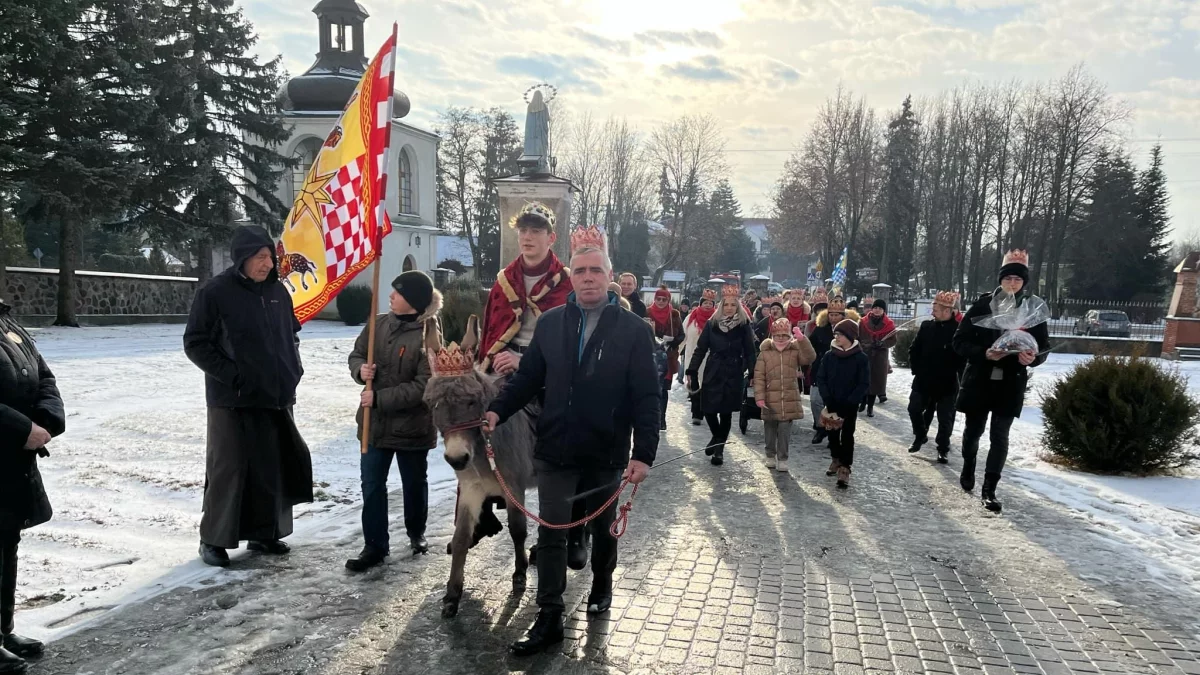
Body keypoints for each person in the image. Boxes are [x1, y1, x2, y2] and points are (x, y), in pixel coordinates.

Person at [485, 241, 659, 657]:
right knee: (551, 534)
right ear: (571, 278)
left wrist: (644, 453)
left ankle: (602, 582)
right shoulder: (551, 324)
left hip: (607, 450)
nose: (587, 278)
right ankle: (548, 616)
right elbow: (528, 378)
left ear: (608, 276)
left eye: (595, 271)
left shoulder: (634, 330)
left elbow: (647, 396)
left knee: (602, 529)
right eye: (579, 271)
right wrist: (497, 410)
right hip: (555, 448)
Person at [184, 225, 314, 567]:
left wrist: (293, 369)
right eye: (260, 257)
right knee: (229, 469)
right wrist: (233, 376)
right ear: (242, 258)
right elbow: (195, 343)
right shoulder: (215, 292)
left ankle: (263, 533)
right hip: (233, 399)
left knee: (270, 468)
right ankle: (212, 539)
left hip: (275, 395)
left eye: (270, 257)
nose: (267, 264)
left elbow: (292, 336)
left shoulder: (277, 293)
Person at [345, 271, 441, 571]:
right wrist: (361, 370)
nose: (391, 296)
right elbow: (356, 354)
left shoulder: (430, 335)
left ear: (412, 300)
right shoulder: (379, 323)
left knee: (413, 483)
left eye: (397, 293)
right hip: (373, 425)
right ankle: (374, 545)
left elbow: (425, 385)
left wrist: (380, 398)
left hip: (412, 427)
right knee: (372, 485)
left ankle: (416, 532)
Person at [953, 249, 1049, 513]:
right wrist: (984, 353)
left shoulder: (1033, 308)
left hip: (1011, 382)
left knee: (1000, 436)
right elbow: (959, 342)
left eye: (1018, 280)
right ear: (1000, 279)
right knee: (973, 432)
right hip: (980, 379)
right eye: (1008, 279)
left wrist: (1032, 358)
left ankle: (990, 489)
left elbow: (1043, 346)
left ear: (1024, 282)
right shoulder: (983, 305)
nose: (1012, 283)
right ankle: (969, 464)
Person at [0, 300, 66, 672]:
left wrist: (45, 420)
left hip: (13, 456)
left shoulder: (6, 320)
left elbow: (43, 375)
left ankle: (3, 630)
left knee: (7, 538)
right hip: (10, 439)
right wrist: (21, 429)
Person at [686, 286, 757, 467]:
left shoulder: (743, 325)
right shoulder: (712, 323)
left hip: (733, 371)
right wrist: (691, 370)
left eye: (733, 305)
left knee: (725, 412)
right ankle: (717, 437)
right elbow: (701, 349)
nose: (730, 308)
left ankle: (719, 450)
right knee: (708, 409)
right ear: (721, 306)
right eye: (726, 305)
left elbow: (750, 351)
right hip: (714, 369)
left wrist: (753, 372)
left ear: (738, 306)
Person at [907, 291, 965, 464]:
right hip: (923, 379)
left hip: (947, 382)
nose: (932, 312)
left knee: (945, 418)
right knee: (913, 408)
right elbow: (914, 349)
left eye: (936, 309)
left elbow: (962, 358)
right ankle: (920, 435)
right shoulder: (926, 327)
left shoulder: (958, 331)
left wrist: (960, 378)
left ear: (947, 311)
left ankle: (942, 448)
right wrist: (916, 369)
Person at [753, 318, 816, 472]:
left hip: (788, 396)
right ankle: (770, 454)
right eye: (778, 335)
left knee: (784, 430)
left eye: (784, 335)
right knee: (769, 428)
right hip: (769, 397)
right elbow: (759, 376)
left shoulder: (794, 351)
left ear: (789, 336)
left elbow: (810, 357)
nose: (781, 338)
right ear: (772, 336)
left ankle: (783, 457)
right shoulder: (765, 353)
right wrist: (759, 396)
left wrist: (802, 340)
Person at [815, 319, 871, 489]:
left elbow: (863, 383)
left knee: (847, 435)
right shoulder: (829, 356)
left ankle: (845, 468)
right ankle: (835, 459)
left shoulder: (861, 358)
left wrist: (852, 401)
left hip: (849, 405)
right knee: (832, 434)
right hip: (832, 403)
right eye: (836, 334)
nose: (836, 337)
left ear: (849, 336)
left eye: (839, 334)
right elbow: (821, 378)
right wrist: (827, 399)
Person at [805, 297, 860, 445]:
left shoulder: (849, 330)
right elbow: (810, 346)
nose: (833, 317)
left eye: (836, 315)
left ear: (843, 315)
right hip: (820, 369)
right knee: (815, 400)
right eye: (831, 314)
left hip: (840, 372)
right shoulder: (821, 328)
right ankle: (820, 427)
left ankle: (833, 431)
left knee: (835, 403)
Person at [647, 286, 684, 430]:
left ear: (668, 300)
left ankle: (661, 418)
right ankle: (650, 417)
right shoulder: (647, 312)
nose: (661, 301)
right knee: (650, 388)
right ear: (654, 299)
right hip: (650, 356)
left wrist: (673, 341)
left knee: (663, 390)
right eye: (658, 299)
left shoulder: (674, 314)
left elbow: (681, 334)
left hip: (668, 356)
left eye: (664, 299)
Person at [681, 289, 717, 426]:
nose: (707, 305)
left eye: (710, 303)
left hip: (709, 358)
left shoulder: (716, 319)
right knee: (694, 384)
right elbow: (683, 336)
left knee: (707, 387)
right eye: (705, 302)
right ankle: (696, 413)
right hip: (692, 357)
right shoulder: (691, 318)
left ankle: (705, 411)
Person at [858, 299, 897, 417]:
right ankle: (863, 400)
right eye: (875, 308)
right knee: (864, 378)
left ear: (883, 310)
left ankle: (870, 407)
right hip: (865, 353)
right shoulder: (863, 321)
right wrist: (866, 344)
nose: (877, 310)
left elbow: (893, 340)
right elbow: (858, 336)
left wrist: (882, 344)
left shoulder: (889, 324)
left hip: (880, 357)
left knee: (875, 382)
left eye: (880, 308)